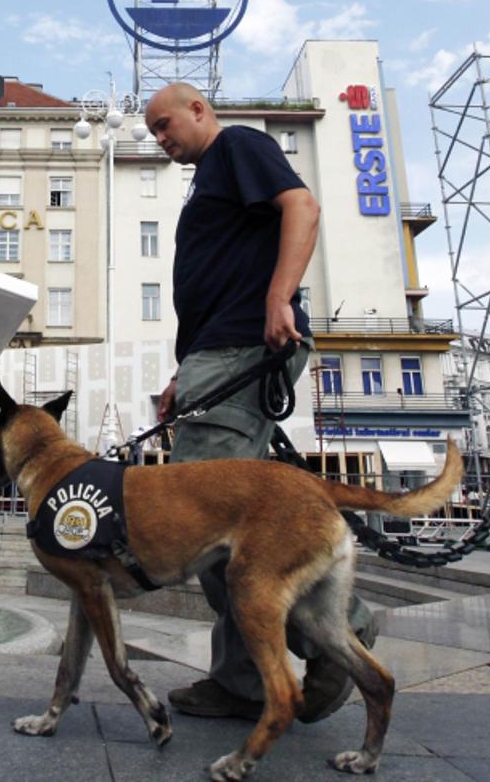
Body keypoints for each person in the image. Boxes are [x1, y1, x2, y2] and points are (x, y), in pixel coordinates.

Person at [146, 82, 376, 723]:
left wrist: (281, 296)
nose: (161, 139)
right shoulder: (212, 176)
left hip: (240, 347)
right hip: (214, 357)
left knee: (211, 527)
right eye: (153, 133)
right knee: (220, 530)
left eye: (166, 125)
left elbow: (302, 206)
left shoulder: (237, 146)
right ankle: (244, 678)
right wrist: (181, 376)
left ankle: (337, 638)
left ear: (200, 110)